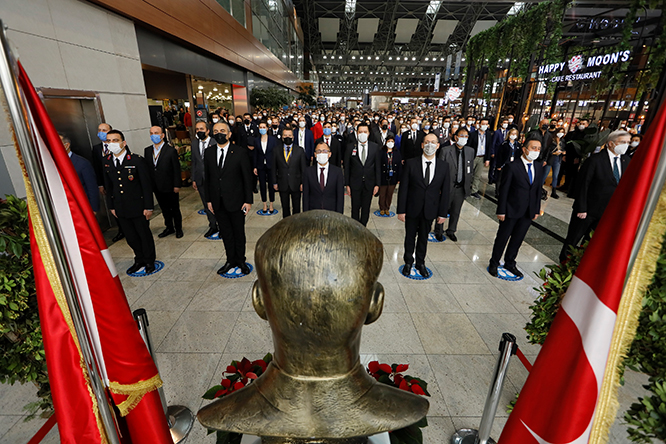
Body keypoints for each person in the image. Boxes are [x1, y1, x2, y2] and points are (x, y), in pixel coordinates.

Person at [559, 130, 631, 262]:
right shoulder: (595, 160)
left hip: (607, 210)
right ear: (611, 143)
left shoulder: (626, 161)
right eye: (623, 142)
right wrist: (581, 208)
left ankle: (580, 264)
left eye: (628, 142)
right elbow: (582, 184)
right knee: (573, 238)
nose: (626, 145)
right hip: (587, 209)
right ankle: (564, 263)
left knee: (591, 241)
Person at [488, 136, 544, 278]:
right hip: (511, 209)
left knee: (518, 239)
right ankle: (494, 263)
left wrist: (536, 209)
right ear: (524, 149)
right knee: (502, 237)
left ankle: (510, 262)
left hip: (528, 211)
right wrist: (501, 210)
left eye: (538, 148)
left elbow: (537, 189)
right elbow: (504, 189)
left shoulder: (538, 166)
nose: (536, 151)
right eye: (533, 148)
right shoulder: (512, 166)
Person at [103, 130, 156, 274]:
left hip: (138, 206)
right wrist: (111, 206)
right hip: (121, 207)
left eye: (115, 140)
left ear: (123, 143)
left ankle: (150, 260)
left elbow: (146, 185)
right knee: (131, 237)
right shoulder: (107, 161)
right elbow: (109, 187)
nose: (111, 144)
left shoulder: (136, 160)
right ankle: (139, 259)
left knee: (143, 235)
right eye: (108, 141)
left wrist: (149, 206)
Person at [397, 133, 450, 278]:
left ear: (438, 145)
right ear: (422, 145)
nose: (430, 145)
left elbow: (446, 192)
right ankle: (408, 261)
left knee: (423, 238)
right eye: (427, 142)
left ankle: (420, 262)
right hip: (412, 208)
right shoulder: (411, 163)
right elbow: (404, 189)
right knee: (410, 237)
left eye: (433, 142)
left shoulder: (444, 167)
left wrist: (443, 213)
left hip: (430, 209)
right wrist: (401, 210)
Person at [204, 121, 253, 276]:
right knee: (226, 233)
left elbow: (247, 178)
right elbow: (208, 178)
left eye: (223, 130)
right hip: (218, 202)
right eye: (216, 131)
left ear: (229, 134)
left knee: (238, 233)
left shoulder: (240, 152)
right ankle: (230, 260)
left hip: (237, 201)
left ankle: (241, 261)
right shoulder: (209, 152)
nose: (220, 133)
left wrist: (248, 200)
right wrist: (209, 200)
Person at [434, 129, 474, 242]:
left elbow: (470, 170)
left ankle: (451, 230)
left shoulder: (470, 151)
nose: (464, 138)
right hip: (447, 187)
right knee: (442, 209)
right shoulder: (446, 150)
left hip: (461, 188)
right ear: (456, 137)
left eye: (466, 136)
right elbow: (440, 170)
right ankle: (439, 230)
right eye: (462, 135)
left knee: (456, 211)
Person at [144, 126, 183, 238]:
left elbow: (176, 169)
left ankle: (178, 228)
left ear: (162, 135)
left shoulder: (170, 150)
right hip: (156, 185)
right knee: (164, 209)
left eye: (156, 133)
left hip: (170, 185)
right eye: (151, 133)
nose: (153, 135)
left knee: (174, 208)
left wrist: (177, 185)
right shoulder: (147, 151)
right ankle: (169, 227)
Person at [344, 123, 381, 226]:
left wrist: (377, 184)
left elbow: (378, 167)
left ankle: (363, 228)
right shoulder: (350, 147)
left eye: (365, 132)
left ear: (369, 133)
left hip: (369, 183)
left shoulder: (374, 147)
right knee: (355, 208)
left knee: (366, 208)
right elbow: (347, 167)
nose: (362, 134)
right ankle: (355, 229)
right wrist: (347, 184)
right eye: (360, 132)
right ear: (356, 133)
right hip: (355, 183)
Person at [272, 128, 307, 218]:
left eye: (289, 135)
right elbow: (273, 167)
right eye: (285, 135)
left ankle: (296, 227)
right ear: (282, 137)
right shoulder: (276, 150)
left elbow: (303, 168)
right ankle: (286, 227)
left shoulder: (300, 150)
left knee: (296, 208)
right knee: (285, 207)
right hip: (282, 183)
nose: (287, 137)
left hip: (296, 183)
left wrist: (303, 183)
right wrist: (274, 182)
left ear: (293, 137)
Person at [191, 121, 218, 237]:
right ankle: (213, 226)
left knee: (217, 204)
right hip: (201, 179)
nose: (199, 131)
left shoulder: (215, 142)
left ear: (207, 131)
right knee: (206, 205)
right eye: (197, 129)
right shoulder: (194, 144)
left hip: (214, 179)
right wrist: (194, 178)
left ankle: (222, 226)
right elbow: (194, 162)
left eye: (201, 129)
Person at [60, 133, 99, 213]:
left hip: (82, 207)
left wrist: (93, 209)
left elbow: (92, 188)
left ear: (66, 145)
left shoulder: (82, 163)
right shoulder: (53, 163)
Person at [303, 142, 344, 213]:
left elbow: (340, 197)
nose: (321, 153)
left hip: (331, 212)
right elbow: (305, 196)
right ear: (315, 154)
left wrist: (339, 215)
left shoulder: (337, 172)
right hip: (313, 212)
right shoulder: (308, 172)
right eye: (319, 151)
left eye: (325, 151)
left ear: (329, 154)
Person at [254, 121, 277, 214]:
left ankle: (271, 203)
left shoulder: (273, 140)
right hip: (260, 165)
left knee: (271, 185)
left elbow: (275, 153)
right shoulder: (256, 140)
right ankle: (264, 203)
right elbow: (255, 154)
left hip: (271, 165)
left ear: (267, 128)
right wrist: (255, 166)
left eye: (264, 127)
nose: (262, 128)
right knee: (262, 185)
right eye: (261, 127)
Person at [468, 117, 493, 199]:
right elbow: (469, 146)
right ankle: (466, 190)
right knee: (469, 174)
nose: (485, 126)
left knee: (477, 175)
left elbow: (489, 147)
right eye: (483, 124)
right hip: (473, 157)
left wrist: (488, 159)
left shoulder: (489, 135)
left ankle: (474, 191)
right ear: (479, 125)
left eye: (486, 124)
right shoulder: (472, 134)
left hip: (482, 157)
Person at [378, 136, 402, 216]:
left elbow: (399, 166)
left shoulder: (397, 152)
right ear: (386, 142)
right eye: (389, 141)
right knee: (382, 193)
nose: (390, 143)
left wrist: (399, 178)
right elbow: (378, 165)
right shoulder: (381, 152)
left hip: (393, 176)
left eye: (392, 141)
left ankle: (387, 207)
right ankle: (382, 208)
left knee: (389, 193)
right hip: (383, 175)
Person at [494, 128, 521, 196]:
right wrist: (499, 165)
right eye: (512, 134)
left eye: (515, 134)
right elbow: (499, 155)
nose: (513, 135)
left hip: (512, 165)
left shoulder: (518, 145)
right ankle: (498, 192)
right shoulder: (504, 144)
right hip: (504, 164)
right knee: (500, 179)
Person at [543, 128, 565, 199]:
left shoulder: (562, 141)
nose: (561, 133)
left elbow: (564, 149)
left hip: (558, 159)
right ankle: (539, 188)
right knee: (545, 174)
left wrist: (563, 152)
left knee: (555, 176)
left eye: (562, 132)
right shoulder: (552, 140)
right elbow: (547, 150)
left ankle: (554, 191)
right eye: (560, 132)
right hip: (550, 158)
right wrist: (548, 157)